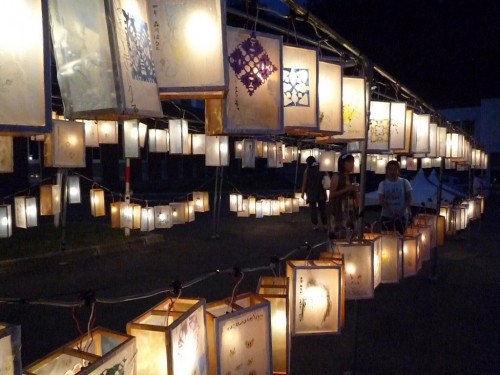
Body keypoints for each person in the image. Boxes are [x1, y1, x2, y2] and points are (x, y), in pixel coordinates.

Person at [328, 153, 359, 239]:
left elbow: (355, 196)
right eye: (349, 162)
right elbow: (332, 194)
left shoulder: (351, 177)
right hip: (339, 209)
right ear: (342, 164)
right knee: (339, 234)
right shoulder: (336, 176)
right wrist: (347, 189)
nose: (352, 164)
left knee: (351, 232)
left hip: (350, 209)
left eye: (353, 162)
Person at [378, 160, 413, 234]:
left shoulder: (405, 182)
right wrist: (390, 211)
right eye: (390, 169)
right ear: (387, 171)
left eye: (395, 169)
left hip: (402, 215)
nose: (392, 172)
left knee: (401, 237)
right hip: (386, 216)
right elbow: (381, 200)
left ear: (398, 171)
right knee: (387, 239)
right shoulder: (383, 184)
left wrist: (402, 210)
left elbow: (409, 198)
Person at [301, 156, 328, 231]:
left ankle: (315, 225)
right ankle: (325, 225)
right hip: (321, 191)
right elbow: (327, 177)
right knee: (322, 209)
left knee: (313, 209)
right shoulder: (321, 168)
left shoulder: (308, 170)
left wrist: (303, 193)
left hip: (311, 191)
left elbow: (304, 182)